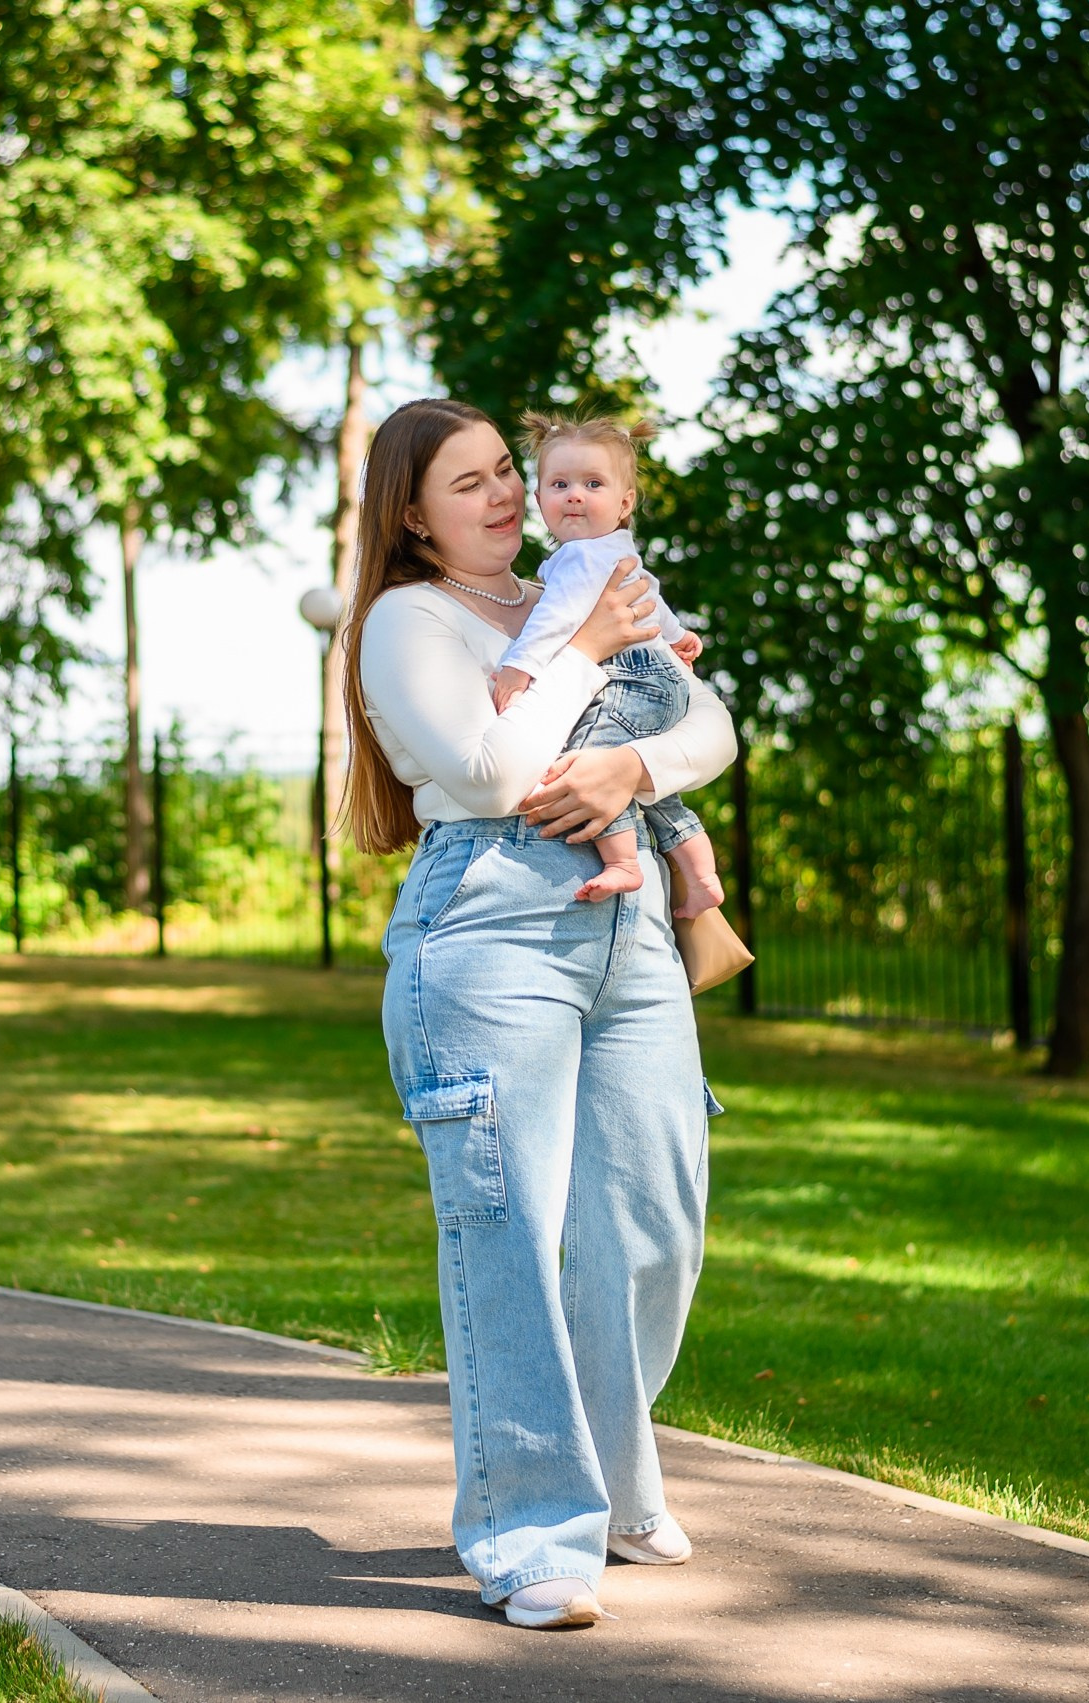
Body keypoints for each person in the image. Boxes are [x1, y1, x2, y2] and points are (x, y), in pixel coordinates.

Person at [342, 397, 736, 1630]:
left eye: (507, 469)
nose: (507, 493)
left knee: (653, 1219)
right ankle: (532, 1536)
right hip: (492, 920)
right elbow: (495, 770)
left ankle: (615, 1482)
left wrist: (634, 765)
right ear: (413, 515)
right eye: (469, 484)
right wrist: (585, 667)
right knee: (511, 1231)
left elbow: (709, 725)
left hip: (626, 931)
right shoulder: (405, 620)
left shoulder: (588, 579)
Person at [487, 413, 726, 914]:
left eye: (592, 483)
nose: (574, 494)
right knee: (648, 789)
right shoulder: (615, 551)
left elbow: (555, 617)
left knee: (587, 759)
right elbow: (649, 597)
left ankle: (623, 863)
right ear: (539, 501)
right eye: (560, 484)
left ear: (624, 503)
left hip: (630, 680)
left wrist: (519, 668)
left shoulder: (579, 559)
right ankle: (700, 872)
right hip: (656, 677)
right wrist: (679, 636)